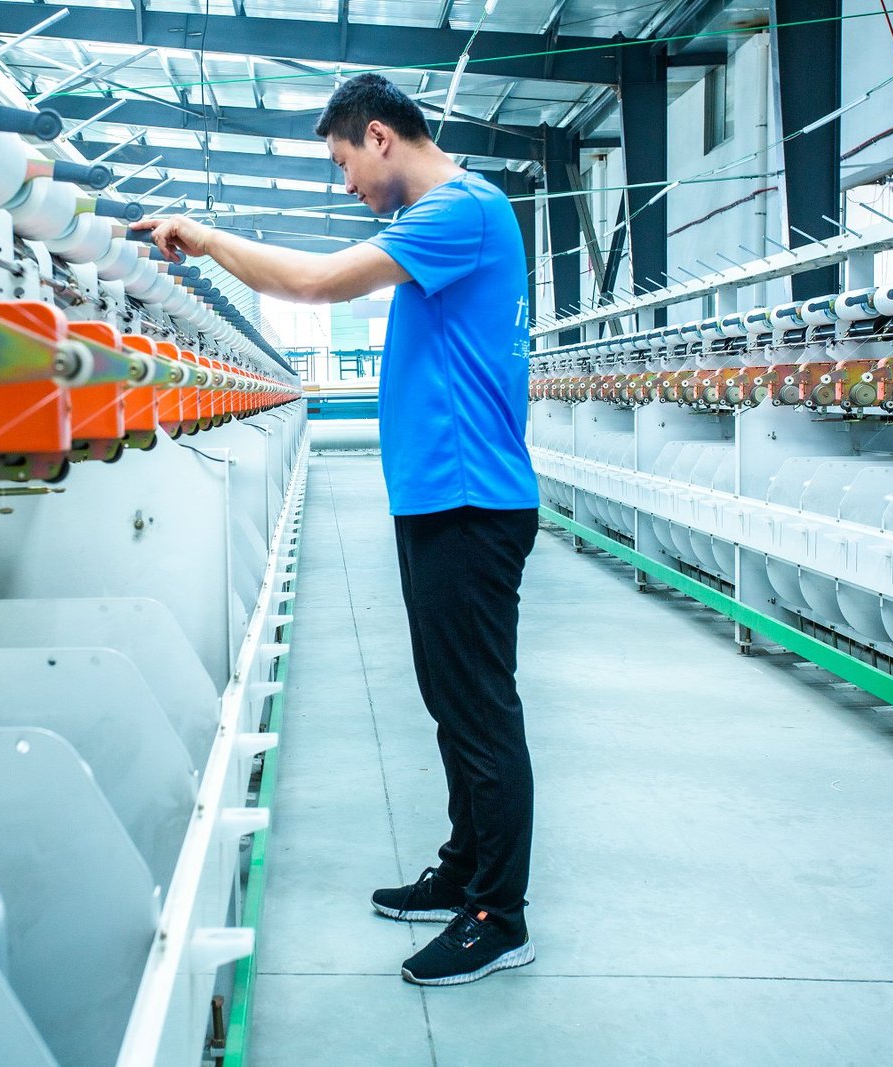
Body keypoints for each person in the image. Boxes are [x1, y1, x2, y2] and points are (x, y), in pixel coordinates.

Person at [133, 72, 539, 987]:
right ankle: (467, 870)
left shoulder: (461, 210)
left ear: (382, 137)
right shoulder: (452, 221)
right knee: (452, 702)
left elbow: (315, 282)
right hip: (445, 497)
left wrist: (198, 236)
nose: (344, 182)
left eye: (343, 160)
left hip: (471, 500)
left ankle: (498, 915)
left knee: (479, 710)